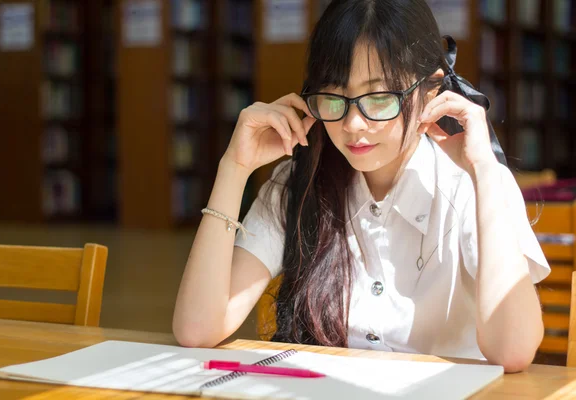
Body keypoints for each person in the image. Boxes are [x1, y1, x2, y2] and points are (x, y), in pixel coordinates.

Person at [173, 0, 550, 373]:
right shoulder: (298, 184)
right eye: (335, 97)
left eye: (379, 97)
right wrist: (234, 167)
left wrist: (485, 170)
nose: (353, 124)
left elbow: (512, 351)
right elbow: (197, 329)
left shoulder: (473, 185)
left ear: (431, 91)